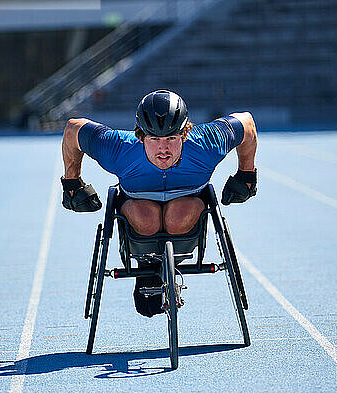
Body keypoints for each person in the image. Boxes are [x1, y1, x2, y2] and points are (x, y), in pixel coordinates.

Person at [61, 89, 257, 317]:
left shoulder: (207, 143)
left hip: (187, 212)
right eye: (154, 139)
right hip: (138, 212)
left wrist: (247, 174)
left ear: (185, 134)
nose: (163, 148)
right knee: (147, 217)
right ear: (140, 136)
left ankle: (165, 265)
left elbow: (247, 123)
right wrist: (72, 182)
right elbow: (73, 129)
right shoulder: (118, 148)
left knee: (178, 214)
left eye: (171, 138)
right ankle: (148, 266)